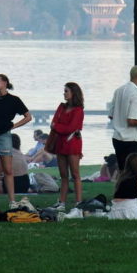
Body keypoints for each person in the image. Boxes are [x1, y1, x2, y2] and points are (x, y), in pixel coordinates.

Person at [0, 74, 32, 209]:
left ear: (5, 83)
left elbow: (28, 117)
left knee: (8, 170)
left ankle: (12, 201)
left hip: (4, 137)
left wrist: (13, 126)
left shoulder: (14, 100)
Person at [49, 82, 84, 213]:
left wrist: (57, 127)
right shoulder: (62, 107)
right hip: (60, 143)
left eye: (66, 91)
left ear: (73, 93)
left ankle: (78, 203)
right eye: (64, 91)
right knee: (63, 175)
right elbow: (53, 122)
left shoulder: (78, 110)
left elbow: (71, 128)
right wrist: (59, 127)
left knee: (75, 174)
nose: (64, 93)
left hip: (72, 144)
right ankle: (61, 202)